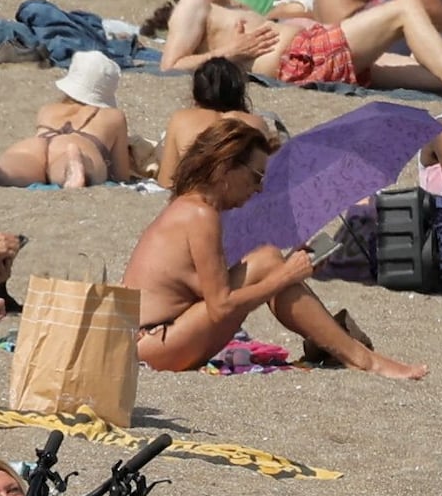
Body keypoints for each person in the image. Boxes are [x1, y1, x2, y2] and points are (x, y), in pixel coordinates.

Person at [119, 123, 424, 380]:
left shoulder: (192, 206)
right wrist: (284, 276)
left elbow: (198, 289)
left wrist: (289, 270)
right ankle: (362, 358)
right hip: (152, 343)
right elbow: (220, 306)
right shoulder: (200, 214)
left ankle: (352, 352)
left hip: (152, 336)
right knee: (269, 265)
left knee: (267, 259)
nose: (260, 189)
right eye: (257, 177)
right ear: (226, 168)